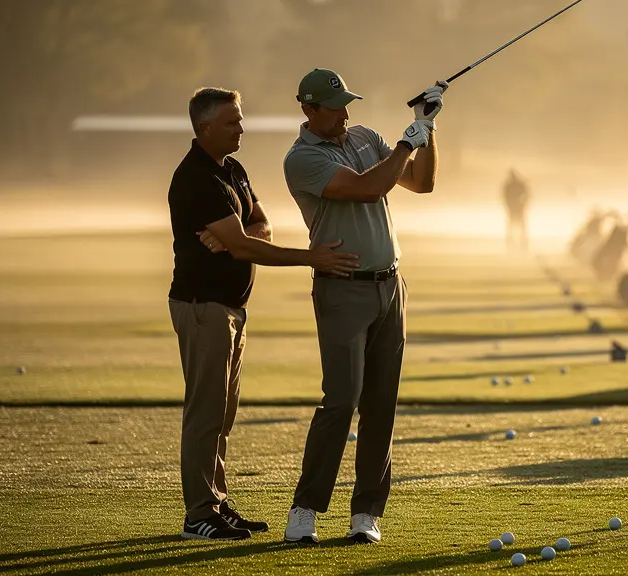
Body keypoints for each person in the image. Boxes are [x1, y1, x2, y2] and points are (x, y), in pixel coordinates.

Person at [168, 87, 359, 541]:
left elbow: (259, 225)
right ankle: (199, 514)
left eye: (240, 119)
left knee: (224, 412)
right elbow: (242, 245)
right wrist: (310, 257)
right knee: (206, 413)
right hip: (203, 307)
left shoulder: (231, 169)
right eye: (232, 121)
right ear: (206, 127)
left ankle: (216, 504)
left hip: (231, 307)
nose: (241, 127)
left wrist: (241, 236)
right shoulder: (196, 177)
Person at [280, 68, 446, 545]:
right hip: (342, 289)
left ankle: (366, 514)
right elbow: (366, 188)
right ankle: (306, 509)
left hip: (390, 287)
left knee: (380, 406)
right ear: (309, 110)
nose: (345, 114)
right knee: (340, 400)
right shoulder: (302, 158)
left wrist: (427, 129)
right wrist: (405, 144)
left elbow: (421, 182)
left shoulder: (366, 137)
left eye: (347, 104)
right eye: (335, 107)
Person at [502, 170, 530, 251]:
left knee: (516, 228)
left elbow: (505, 198)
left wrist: (523, 205)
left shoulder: (511, 185)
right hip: (515, 209)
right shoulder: (515, 185)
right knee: (517, 228)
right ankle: (514, 245)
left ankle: (520, 245)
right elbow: (505, 198)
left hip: (516, 209)